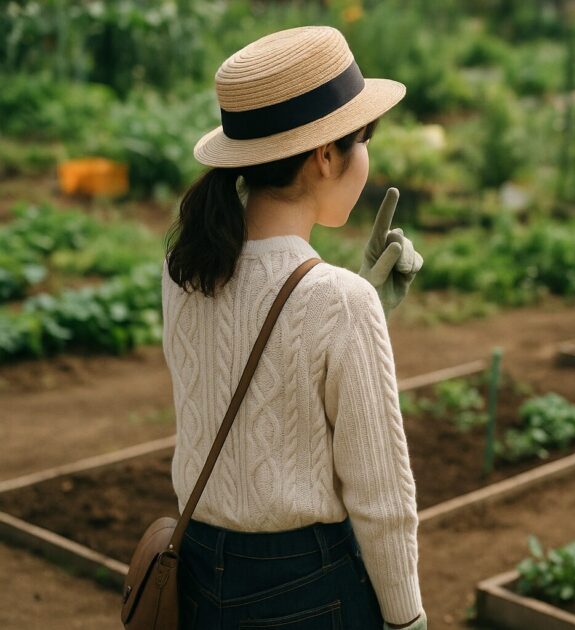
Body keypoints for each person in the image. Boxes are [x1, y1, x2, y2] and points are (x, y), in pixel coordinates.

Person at [161, 25, 426, 630]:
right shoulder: (338, 300)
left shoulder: (185, 271)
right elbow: (383, 500)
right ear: (325, 154)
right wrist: (408, 621)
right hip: (307, 587)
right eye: (362, 139)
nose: (366, 159)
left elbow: (244, 385)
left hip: (199, 571)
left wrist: (364, 307)